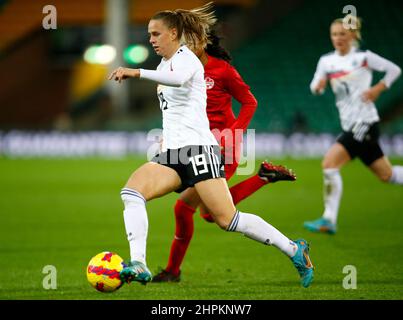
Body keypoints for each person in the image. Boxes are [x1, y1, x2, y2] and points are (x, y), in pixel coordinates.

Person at [109, 3, 314, 288]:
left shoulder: (187, 60)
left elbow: (179, 80)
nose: (151, 39)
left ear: (173, 33)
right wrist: (166, 139)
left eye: (156, 34)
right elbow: (174, 109)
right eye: (149, 35)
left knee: (226, 219)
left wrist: (136, 72)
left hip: (200, 152)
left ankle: (294, 249)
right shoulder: (163, 65)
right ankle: (139, 263)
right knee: (132, 191)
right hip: (173, 154)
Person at [152, 31, 296, 283]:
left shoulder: (223, 71)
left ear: (204, 43)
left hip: (222, 149)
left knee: (201, 212)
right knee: (190, 210)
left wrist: (234, 133)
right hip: (195, 145)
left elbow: (250, 102)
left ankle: (172, 271)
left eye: (189, 42)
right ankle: (172, 271)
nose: (184, 47)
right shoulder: (178, 68)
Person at [304, 16, 402, 234]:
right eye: (334, 34)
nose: (338, 38)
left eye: (342, 34)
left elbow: (394, 70)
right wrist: (319, 86)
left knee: (329, 164)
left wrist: (379, 88)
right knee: (387, 175)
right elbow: (314, 86)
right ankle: (328, 220)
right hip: (351, 125)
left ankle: (328, 220)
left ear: (352, 35)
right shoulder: (326, 61)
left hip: (364, 123)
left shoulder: (363, 58)